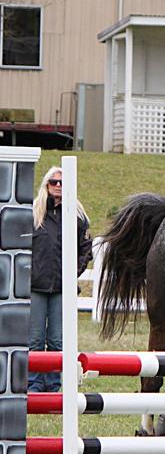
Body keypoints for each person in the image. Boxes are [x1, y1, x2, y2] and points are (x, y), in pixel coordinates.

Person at [28, 166, 93, 392]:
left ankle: (54, 385)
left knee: (57, 340)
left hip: (61, 288)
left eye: (62, 182)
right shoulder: (33, 213)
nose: (57, 186)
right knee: (34, 340)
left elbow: (86, 250)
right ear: (46, 185)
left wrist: (71, 274)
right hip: (34, 287)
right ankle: (33, 385)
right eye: (53, 182)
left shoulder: (77, 217)